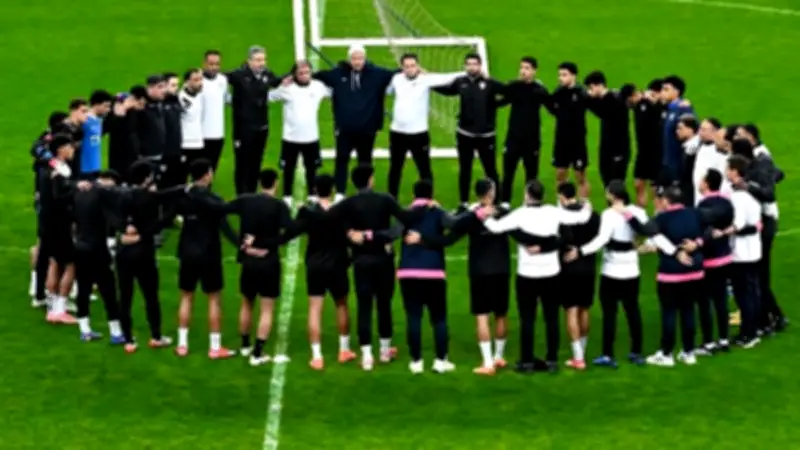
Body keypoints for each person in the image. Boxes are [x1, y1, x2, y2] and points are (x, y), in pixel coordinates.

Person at [328, 165, 420, 370]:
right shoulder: (385, 199)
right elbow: (405, 219)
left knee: (364, 306)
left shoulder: (348, 203)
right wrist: (389, 235)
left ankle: (367, 355)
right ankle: (385, 351)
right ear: (370, 179)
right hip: (383, 259)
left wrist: (348, 232)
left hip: (361, 261)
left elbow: (329, 220)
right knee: (384, 304)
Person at [268, 174, 357, 369]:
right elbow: (351, 238)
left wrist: (262, 243)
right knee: (341, 305)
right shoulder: (342, 212)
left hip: (315, 266)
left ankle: (317, 356)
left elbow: (288, 234)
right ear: (332, 189)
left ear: (315, 189)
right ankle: (344, 350)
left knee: (315, 308)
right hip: (337, 264)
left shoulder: (308, 213)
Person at [480, 180, 570, 373]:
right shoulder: (553, 212)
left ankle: (527, 361)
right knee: (552, 318)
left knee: (527, 319)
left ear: (527, 195)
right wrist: (546, 245)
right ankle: (552, 360)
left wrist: (482, 215)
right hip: (551, 272)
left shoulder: (520, 214)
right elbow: (568, 232)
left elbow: (495, 228)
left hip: (528, 274)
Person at [569, 180, 647, 368]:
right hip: (631, 269)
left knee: (610, 313)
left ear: (612, 195)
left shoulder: (609, 214)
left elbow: (601, 240)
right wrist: (645, 246)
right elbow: (648, 231)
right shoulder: (637, 212)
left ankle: (608, 354)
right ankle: (636, 351)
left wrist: (580, 251)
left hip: (611, 270)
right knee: (633, 311)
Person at [174, 159, 238, 359]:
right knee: (214, 299)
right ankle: (215, 346)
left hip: (187, 252)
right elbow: (225, 228)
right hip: (209, 253)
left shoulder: (184, 197)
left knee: (186, 296)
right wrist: (242, 245)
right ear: (207, 175)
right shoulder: (214, 200)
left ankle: (182, 344)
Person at [313, 45, 396, 197]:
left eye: (360, 58)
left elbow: (397, 73)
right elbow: (314, 76)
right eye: (354, 58)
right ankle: (340, 193)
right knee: (341, 160)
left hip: (367, 129)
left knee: (365, 162)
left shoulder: (377, 74)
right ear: (349, 59)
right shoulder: (338, 74)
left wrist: (418, 72)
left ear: (365, 58)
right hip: (344, 129)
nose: (357, 62)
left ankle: (364, 192)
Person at [115, 160, 177, 352]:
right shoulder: (150, 198)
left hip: (123, 251)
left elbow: (114, 217)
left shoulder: (122, 195)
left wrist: (124, 228)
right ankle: (156, 336)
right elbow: (164, 218)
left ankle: (128, 340)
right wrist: (144, 234)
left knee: (125, 296)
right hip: (143, 252)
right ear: (147, 177)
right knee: (150, 295)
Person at [395, 180, 457, 374]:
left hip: (408, 273)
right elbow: (455, 225)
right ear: (432, 194)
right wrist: (441, 208)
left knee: (413, 317)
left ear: (414, 195)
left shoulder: (405, 214)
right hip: (434, 273)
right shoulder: (437, 213)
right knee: (439, 319)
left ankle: (416, 362)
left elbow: (392, 233)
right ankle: (440, 361)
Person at [641, 186, 703, 367]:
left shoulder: (662, 218)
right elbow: (704, 233)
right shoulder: (694, 214)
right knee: (688, 311)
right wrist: (697, 243)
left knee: (669, 312)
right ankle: (688, 352)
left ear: (666, 201)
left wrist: (672, 252)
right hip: (694, 272)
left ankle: (666, 353)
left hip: (670, 274)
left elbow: (651, 234)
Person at [434, 53, 505, 212]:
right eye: (469, 64)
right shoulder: (461, 82)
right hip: (465, 134)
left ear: (480, 66)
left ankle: (496, 203)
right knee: (465, 169)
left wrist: (495, 104)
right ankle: (463, 203)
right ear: (465, 66)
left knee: (490, 169)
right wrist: (427, 82)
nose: (472, 67)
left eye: (474, 64)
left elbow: (508, 92)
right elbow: (446, 90)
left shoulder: (490, 83)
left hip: (486, 135)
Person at [385, 53, 461, 200]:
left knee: (424, 168)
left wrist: (470, 72)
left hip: (418, 134)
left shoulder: (426, 79)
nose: (410, 69)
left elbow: (448, 77)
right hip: (397, 133)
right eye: (407, 66)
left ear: (418, 66)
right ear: (402, 67)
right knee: (395, 168)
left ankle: (427, 200)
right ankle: (391, 200)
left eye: (413, 66)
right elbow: (386, 90)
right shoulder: (396, 79)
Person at [735, 124, 786, 331]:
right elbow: (779, 173)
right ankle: (765, 316)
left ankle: (773, 317)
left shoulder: (760, 160)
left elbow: (769, 193)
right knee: (756, 273)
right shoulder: (757, 161)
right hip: (761, 220)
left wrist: (747, 185)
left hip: (765, 221)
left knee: (758, 273)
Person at [72, 170, 125, 343]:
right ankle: (115, 331)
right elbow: (115, 219)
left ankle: (84, 329)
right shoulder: (102, 195)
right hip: (98, 249)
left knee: (83, 288)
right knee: (108, 290)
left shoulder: (80, 194)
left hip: (80, 246)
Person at [268, 60, 330, 205]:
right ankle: (287, 195)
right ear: (294, 74)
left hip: (311, 136)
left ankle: (312, 194)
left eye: (307, 72)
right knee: (288, 168)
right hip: (291, 137)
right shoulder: (287, 89)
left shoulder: (318, 86)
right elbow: (269, 96)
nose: (304, 75)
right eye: (301, 73)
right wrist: (280, 84)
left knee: (312, 168)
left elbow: (335, 92)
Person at [554, 182, 600, 370]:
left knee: (571, 311)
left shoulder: (561, 216)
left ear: (562, 196)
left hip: (568, 267)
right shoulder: (593, 215)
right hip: (588, 266)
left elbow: (558, 240)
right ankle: (582, 350)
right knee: (584, 309)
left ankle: (578, 357)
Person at [228, 45, 283, 195]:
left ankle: (251, 193)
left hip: (262, 127)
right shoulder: (238, 75)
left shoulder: (267, 74)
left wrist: (292, 75)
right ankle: (241, 195)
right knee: (242, 163)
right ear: (249, 61)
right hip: (243, 129)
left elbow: (277, 81)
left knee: (256, 162)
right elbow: (219, 79)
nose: (262, 63)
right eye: (258, 60)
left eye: (263, 60)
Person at [37, 135, 80, 324]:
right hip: (59, 224)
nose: (73, 149)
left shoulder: (49, 167)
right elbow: (60, 197)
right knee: (71, 264)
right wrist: (76, 189)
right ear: (61, 149)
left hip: (48, 223)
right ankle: (60, 309)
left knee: (55, 263)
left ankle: (52, 308)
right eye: (70, 146)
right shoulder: (58, 171)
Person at [724, 155, 764, 348]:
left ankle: (748, 334)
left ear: (735, 172)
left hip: (741, 253)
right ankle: (754, 329)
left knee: (743, 294)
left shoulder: (738, 197)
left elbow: (738, 225)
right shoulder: (752, 192)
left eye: (728, 168)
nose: (726, 172)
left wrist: (721, 232)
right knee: (752, 292)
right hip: (754, 250)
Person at [694, 169, 735, 354]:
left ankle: (709, 342)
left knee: (704, 302)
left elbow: (703, 232)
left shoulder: (703, 206)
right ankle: (724, 339)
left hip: (709, 261)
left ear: (706, 183)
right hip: (725, 258)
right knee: (721, 301)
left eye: (702, 180)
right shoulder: (727, 203)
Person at [498, 57, 549, 208]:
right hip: (513, 138)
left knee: (531, 174)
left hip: (532, 140)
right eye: (521, 67)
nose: (523, 71)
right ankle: (505, 202)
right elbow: (500, 101)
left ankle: (529, 202)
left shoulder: (539, 90)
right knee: (508, 173)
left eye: (527, 68)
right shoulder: (514, 87)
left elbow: (552, 106)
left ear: (534, 71)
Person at [546, 62, 589, 198]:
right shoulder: (558, 92)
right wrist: (559, 113)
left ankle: (583, 205)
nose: (561, 78)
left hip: (577, 141)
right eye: (560, 75)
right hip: (561, 140)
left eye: (564, 75)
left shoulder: (581, 93)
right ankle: (562, 204)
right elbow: (550, 105)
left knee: (580, 176)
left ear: (573, 76)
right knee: (560, 175)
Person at [584, 72, 633, 187]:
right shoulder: (604, 99)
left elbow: (603, 112)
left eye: (591, 88)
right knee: (606, 179)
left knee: (616, 182)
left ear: (600, 85)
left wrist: (588, 101)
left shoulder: (615, 99)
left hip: (619, 148)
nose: (589, 91)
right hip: (606, 147)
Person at [631, 79, 664, 206]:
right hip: (642, 152)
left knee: (655, 188)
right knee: (638, 184)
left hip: (657, 153)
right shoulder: (641, 104)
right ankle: (640, 213)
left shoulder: (665, 107)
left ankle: (658, 213)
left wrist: (656, 103)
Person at [659, 76, 694, 188]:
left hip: (677, 165)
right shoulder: (669, 109)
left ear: (676, 91)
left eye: (666, 89)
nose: (662, 92)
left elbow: (690, 134)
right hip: (667, 162)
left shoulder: (683, 109)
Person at [106, 87, 147, 182]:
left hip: (133, 155)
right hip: (119, 156)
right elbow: (109, 126)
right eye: (141, 103)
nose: (142, 107)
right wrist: (123, 108)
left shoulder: (135, 113)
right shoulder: (118, 105)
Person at [201, 50, 229, 172]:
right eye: (211, 64)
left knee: (212, 169)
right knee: (199, 170)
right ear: (204, 63)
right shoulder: (198, 80)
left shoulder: (223, 80)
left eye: (217, 64)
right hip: (200, 134)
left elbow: (226, 99)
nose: (214, 67)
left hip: (218, 133)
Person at [131, 75, 168, 167]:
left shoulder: (159, 104)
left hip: (160, 155)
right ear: (149, 88)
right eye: (160, 87)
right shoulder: (140, 106)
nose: (164, 90)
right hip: (145, 158)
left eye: (164, 86)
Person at [692, 118, 728, 205]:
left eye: (703, 130)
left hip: (712, 197)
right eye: (700, 129)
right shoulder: (701, 146)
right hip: (698, 194)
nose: (699, 133)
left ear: (715, 132)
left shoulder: (719, 152)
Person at [179, 68, 206, 180]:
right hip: (185, 145)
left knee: (198, 178)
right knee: (182, 177)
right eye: (195, 80)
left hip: (199, 144)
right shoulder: (181, 99)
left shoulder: (199, 96)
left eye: (200, 79)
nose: (200, 83)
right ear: (187, 82)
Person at [80, 90, 113, 180]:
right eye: (105, 106)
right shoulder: (84, 120)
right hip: (84, 168)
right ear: (96, 104)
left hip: (96, 166)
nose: (108, 110)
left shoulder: (99, 120)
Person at [162, 72, 184, 191]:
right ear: (164, 86)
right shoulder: (161, 104)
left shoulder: (176, 101)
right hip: (165, 152)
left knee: (176, 184)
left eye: (177, 85)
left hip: (176, 150)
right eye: (173, 85)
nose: (176, 88)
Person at [675, 114, 701, 205]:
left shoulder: (694, 149)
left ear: (690, 130)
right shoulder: (687, 146)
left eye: (680, 128)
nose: (677, 131)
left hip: (692, 193)